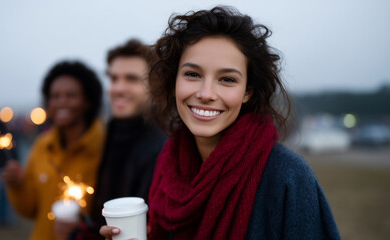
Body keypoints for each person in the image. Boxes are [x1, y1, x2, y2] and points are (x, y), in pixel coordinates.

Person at [101, 6, 341, 240]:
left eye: (227, 79)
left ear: (248, 92)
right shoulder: (168, 164)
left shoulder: (288, 177)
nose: (206, 93)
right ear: (174, 81)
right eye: (192, 74)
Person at [66, 39, 166, 239]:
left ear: (154, 87)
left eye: (132, 79)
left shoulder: (160, 147)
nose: (118, 88)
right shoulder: (114, 132)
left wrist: (78, 235)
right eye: (114, 79)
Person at [1, 60, 104, 240]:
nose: (61, 102)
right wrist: (17, 186)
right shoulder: (42, 145)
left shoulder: (104, 147)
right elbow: (31, 210)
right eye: (55, 96)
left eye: (71, 95)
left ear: (87, 101)